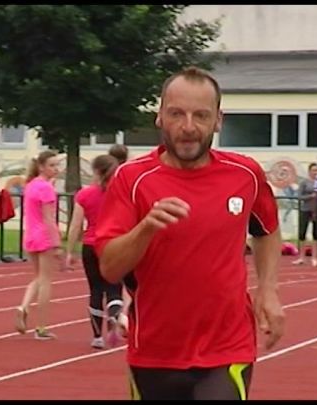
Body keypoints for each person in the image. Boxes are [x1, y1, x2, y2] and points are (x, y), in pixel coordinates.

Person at [95, 66, 285, 400]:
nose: (188, 127)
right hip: (154, 351)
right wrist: (146, 228)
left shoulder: (245, 174)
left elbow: (267, 230)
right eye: (176, 114)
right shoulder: (131, 180)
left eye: (200, 115)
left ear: (218, 120)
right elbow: (110, 267)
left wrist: (268, 290)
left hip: (228, 348)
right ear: (159, 118)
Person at [65, 154, 123, 349]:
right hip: (114, 245)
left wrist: (69, 251)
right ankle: (115, 316)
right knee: (114, 288)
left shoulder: (84, 195)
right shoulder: (120, 193)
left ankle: (97, 336)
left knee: (95, 290)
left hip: (90, 245)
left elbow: (75, 225)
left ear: (96, 172)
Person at [15, 150, 62, 340]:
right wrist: (57, 242)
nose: (56, 169)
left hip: (31, 235)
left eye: (57, 165)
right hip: (43, 236)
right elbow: (49, 218)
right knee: (46, 281)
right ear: (42, 166)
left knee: (38, 277)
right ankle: (41, 326)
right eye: (52, 165)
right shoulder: (45, 188)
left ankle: (23, 306)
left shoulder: (31, 185)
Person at [292, 163, 317, 266]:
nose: (315, 172)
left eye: (316, 170)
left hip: (316, 210)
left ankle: (314, 257)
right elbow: (299, 196)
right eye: (313, 170)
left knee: (316, 234)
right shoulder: (304, 182)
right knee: (302, 233)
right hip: (305, 209)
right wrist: (311, 196)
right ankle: (301, 257)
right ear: (309, 171)